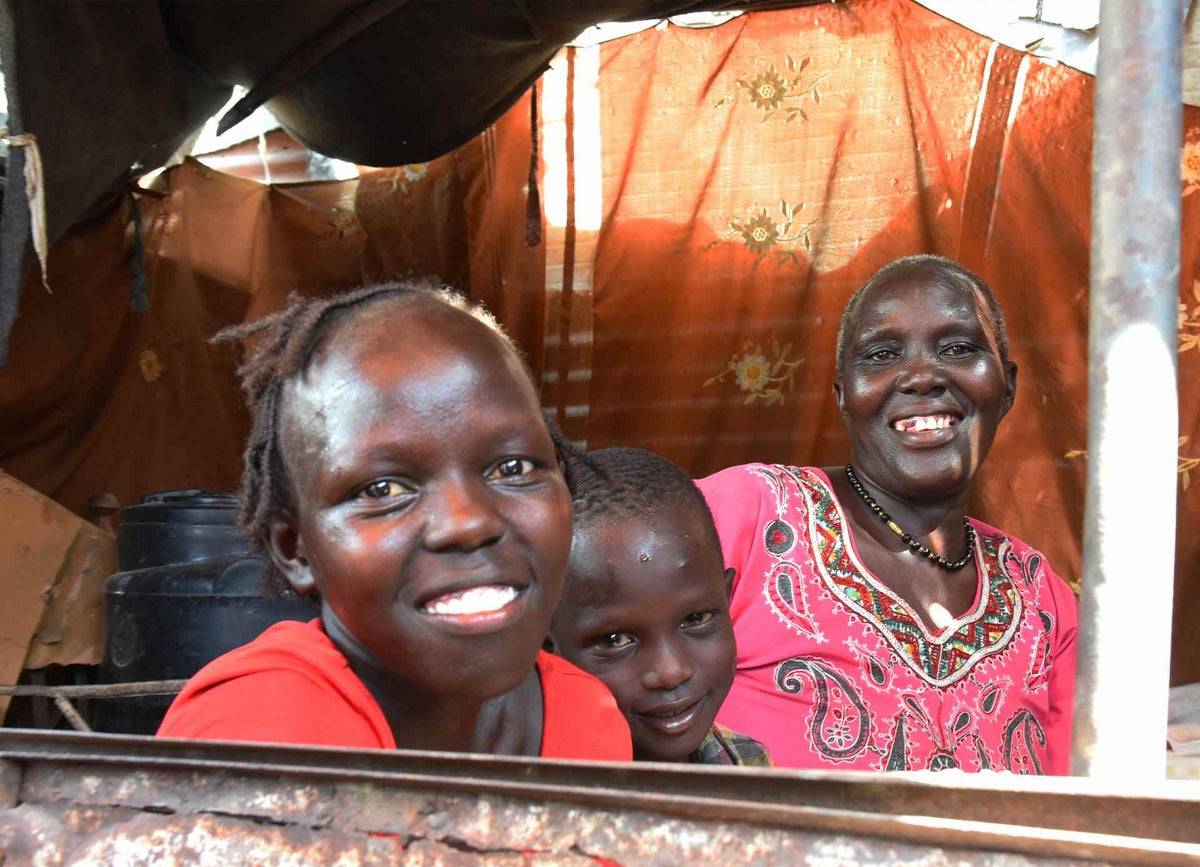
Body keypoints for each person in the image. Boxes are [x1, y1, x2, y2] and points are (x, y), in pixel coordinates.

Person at [158, 283, 631, 761]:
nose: (467, 523)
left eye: (513, 468)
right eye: (383, 490)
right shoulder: (256, 734)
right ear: (295, 549)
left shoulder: (585, 715)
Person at [696, 254, 1078, 774]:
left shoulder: (1039, 594)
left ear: (1006, 386)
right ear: (843, 397)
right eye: (881, 354)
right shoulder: (749, 514)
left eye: (959, 349)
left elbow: (1081, 801)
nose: (922, 377)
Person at [548, 447, 770, 766]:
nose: (671, 672)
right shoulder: (528, 798)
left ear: (727, 598)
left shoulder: (746, 765)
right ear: (547, 646)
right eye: (616, 641)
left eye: (696, 618)